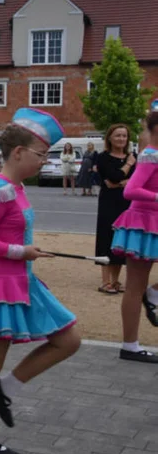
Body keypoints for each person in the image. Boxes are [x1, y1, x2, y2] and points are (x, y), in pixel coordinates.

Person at [0, 109, 81, 454]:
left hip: (23, 282)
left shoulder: (17, 188)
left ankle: (7, 388)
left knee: (69, 339)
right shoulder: (0, 191)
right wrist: (19, 251)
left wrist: (27, 252)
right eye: (41, 154)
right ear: (18, 153)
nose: (45, 161)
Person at [110, 109, 158, 364]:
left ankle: (152, 295)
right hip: (143, 221)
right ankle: (130, 345)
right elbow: (131, 190)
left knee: (137, 286)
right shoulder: (151, 155)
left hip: (153, 222)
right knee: (134, 286)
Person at [95, 124, 136, 294]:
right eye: (118, 135)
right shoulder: (103, 157)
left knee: (120, 239)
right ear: (110, 138)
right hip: (108, 202)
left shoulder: (133, 157)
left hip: (126, 202)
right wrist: (127, 167)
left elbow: (135, 181)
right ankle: (105, 282)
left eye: (124, 136)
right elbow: (114, 176)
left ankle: (116, 280)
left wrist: (120, 182)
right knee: (106, 237)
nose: (121, 139)